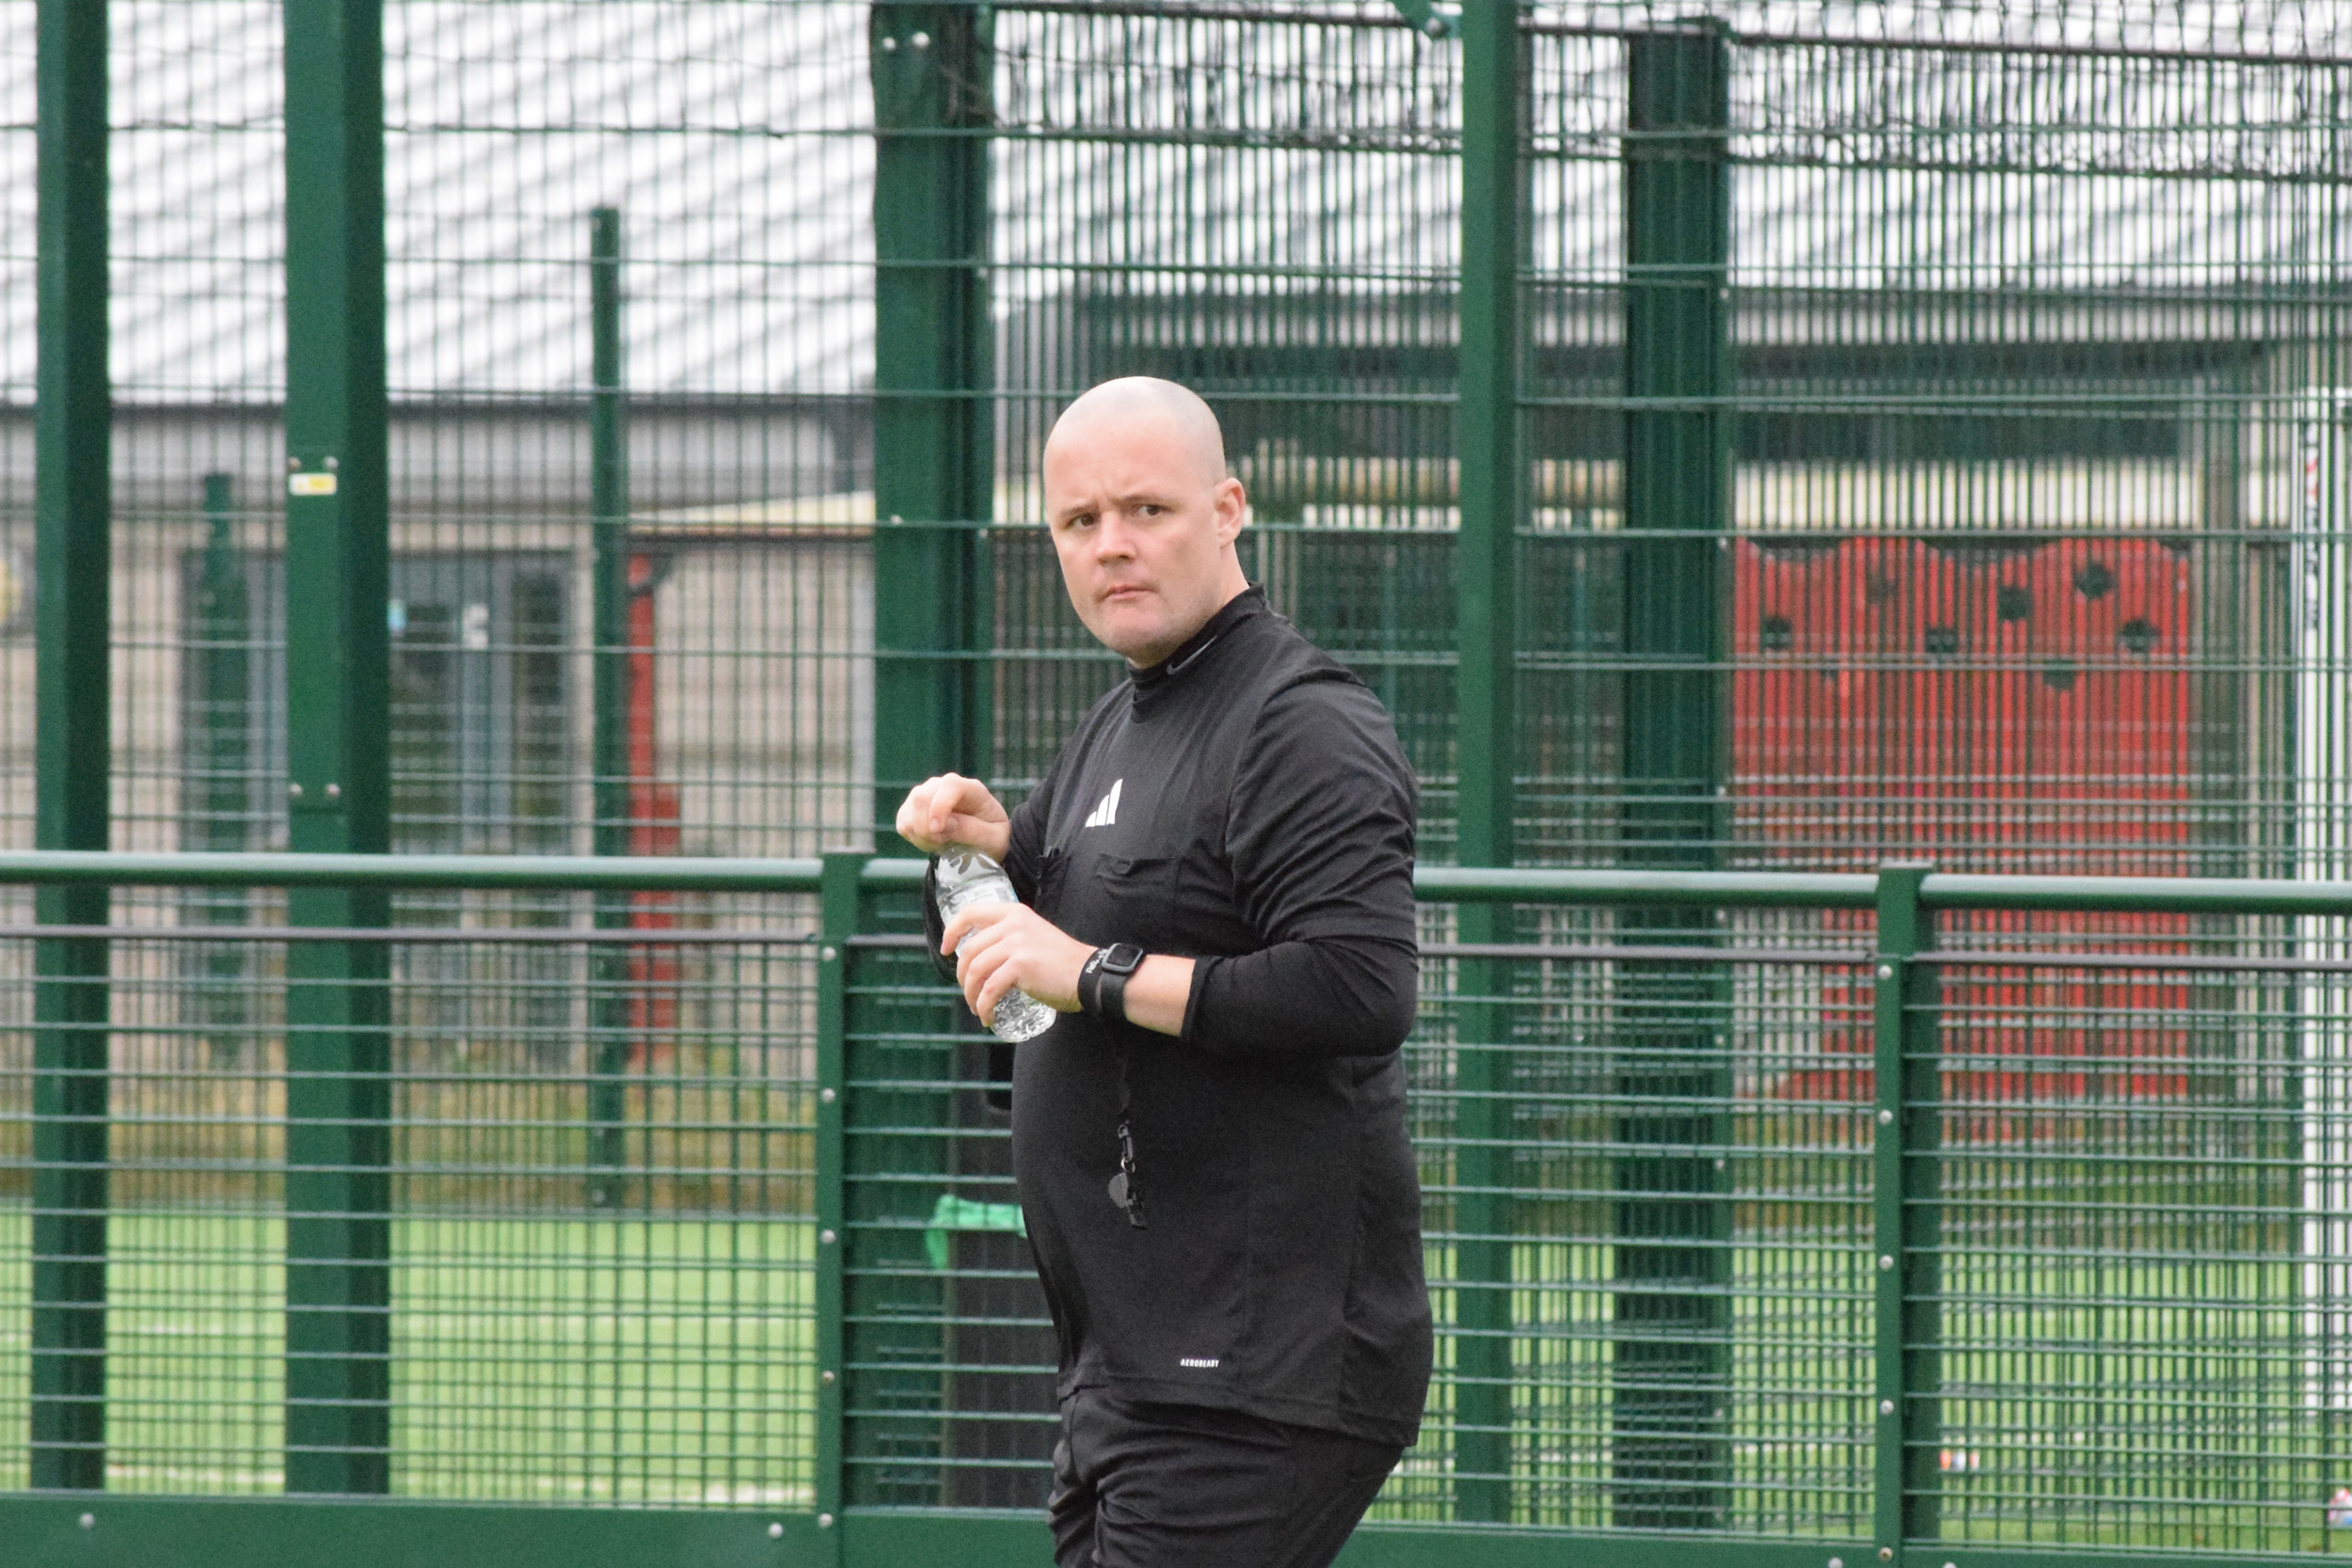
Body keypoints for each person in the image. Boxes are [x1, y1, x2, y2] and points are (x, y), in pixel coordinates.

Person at [896, 376, 1432, 1568]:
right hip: (1127, 1367)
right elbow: (1040, 988)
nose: (1113, 544)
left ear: (1229, 507)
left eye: (1147, 508)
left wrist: (1090, 965)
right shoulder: (1116, 723)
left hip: (1251, 1374)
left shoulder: (1302, 721)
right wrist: (994, 858)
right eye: (1080, 522)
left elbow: (1358, 986)